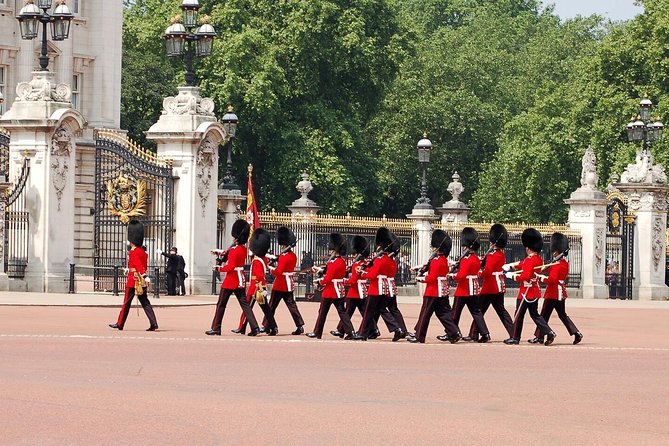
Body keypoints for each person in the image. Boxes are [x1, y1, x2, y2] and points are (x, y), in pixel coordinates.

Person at [206, 220, 260, 336]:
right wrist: (219, 252)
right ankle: (254, 327)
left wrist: (218, 268)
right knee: (245, 305)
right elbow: (229, 254)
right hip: (240, 279)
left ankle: (216, 327)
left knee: (221, 305)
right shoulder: (242, 249)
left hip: (231, 280)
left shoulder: (235, 250)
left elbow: (230, 267)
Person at [503, 228, 557, 346]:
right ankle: (549, 331)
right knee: (535, 315)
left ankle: (515, 337)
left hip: (525, 292)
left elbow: (525, 276)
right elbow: (523, 264)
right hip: (534, 291)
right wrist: (511, 266)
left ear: (528, 247)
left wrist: (511, 276)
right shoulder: (537, 259)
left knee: (519, 315)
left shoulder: (529, 260)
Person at [528, 232, 583, 345]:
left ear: (556, 251)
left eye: (554, 252)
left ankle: (541, 337)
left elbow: (552, 280)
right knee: (562, 315)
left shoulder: (557, 264)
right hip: (560, 294)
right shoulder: (563, 263)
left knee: (543, 315)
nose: (553, 253)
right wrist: (546, 267)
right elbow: (554, 272)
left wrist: (541, 277)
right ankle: (576, 332)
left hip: (553, 293)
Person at [410, 230, 461, 344]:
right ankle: (453, 333)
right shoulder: (443, 260)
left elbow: (432, 278)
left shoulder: (436, 261)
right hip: (442, 291)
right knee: (443, 313)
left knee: (425, 314)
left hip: (433, 291)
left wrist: (420, 279)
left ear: (437, 247)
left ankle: (419, 336)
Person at [464, 224, 514, 342]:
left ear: (493, 242)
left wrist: (479, 272)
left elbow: (488, 272)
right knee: (501, 312)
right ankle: (513, 333)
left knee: (478, 310)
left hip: (490, 287)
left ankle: (474, 334)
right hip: (499, 286)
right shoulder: (500, 254)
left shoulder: (492, 255)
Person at [354, 227, 404, 341]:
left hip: (376, 288)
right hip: (384, 288)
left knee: (368, 312)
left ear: (380, 246)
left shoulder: (380, 260)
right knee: (382, 310)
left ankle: (363, 333)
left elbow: (372, 275)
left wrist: (362, 272)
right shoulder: (388, 259)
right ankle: (397, 328)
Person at [109, 220, 158, 331]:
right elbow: (139, 265)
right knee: (145, 302)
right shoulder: (143, 252)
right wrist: (131, 270)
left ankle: (120, 323)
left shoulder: (134, 251)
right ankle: (153, 322)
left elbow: (138, 265)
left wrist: (144, 275)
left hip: (133, 281)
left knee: (126, 303)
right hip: (141, 281)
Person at [307, 233, 356, 339]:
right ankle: (350, 332)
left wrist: (319, 281)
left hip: (330, 291)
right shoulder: (342, 261)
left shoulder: (333, 262)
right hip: (339, 290)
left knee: (322, 313)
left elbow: (328, 278)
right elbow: (333, 273)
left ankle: (317, 332)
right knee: (342, 312)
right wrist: (321, 270)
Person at [449, 227, 491, 343]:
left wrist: (451, 276)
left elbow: (461, 275)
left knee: (455, 312)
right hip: (473, 289)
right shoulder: (476, 258)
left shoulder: (466, 259)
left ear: (467, 246)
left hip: (463, 289)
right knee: (476, 313)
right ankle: (485, 333)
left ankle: (452, 333)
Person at [266, 226, 305, 335]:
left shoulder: (283, 256)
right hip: (289, 283)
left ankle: (268, 326)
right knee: (292, 306)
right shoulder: (293, 255)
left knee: (271, 306)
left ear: (283, 244)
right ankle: (300, 325)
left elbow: (278, 272)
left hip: (280, 284)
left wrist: (270, 268)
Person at [330, 235, 371, 338]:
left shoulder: (358, 264)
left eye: (355, 253)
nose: (354, 255)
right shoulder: (362, 263)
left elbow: (353, 280)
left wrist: (344, 280)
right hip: (358, 291)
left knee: (349, 312)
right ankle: (341, 330)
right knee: (349, 312)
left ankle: (372, 329)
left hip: (355, 291)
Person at [248, 228, 279, 336]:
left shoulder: (257, 260)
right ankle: (273, 327)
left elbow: (259, 277)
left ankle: (254, 328)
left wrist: (260, 290)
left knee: (248, 309)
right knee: (266, 310)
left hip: (256, 289)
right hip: (261, 288)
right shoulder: (263, 259)